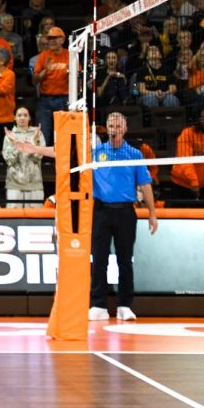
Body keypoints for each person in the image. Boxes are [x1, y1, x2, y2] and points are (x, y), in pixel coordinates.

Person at [88, 112, 158, 320]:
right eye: (111, 126)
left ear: (125, 129)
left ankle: (124, 305)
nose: (114, 129)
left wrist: (152, 213)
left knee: (125, 260)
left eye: (118, 126)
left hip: (126, 212)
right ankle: (98, 305)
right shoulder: (96, 152)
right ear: (106, 128)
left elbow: (145, 184)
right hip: (101, 211)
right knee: (99, 259)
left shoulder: (135, 154)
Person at [2, 106, 45, 207]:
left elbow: (38, 157)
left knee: (36, 219)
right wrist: (16, 144)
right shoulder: (9, 135)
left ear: (29, 118)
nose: (22, 118)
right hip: (14, 184)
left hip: (35, 183)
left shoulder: (37, 133)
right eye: (19, 115)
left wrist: (35, 142)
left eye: (25, 115)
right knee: (14, 219)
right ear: (15, 118)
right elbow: (10, 160)